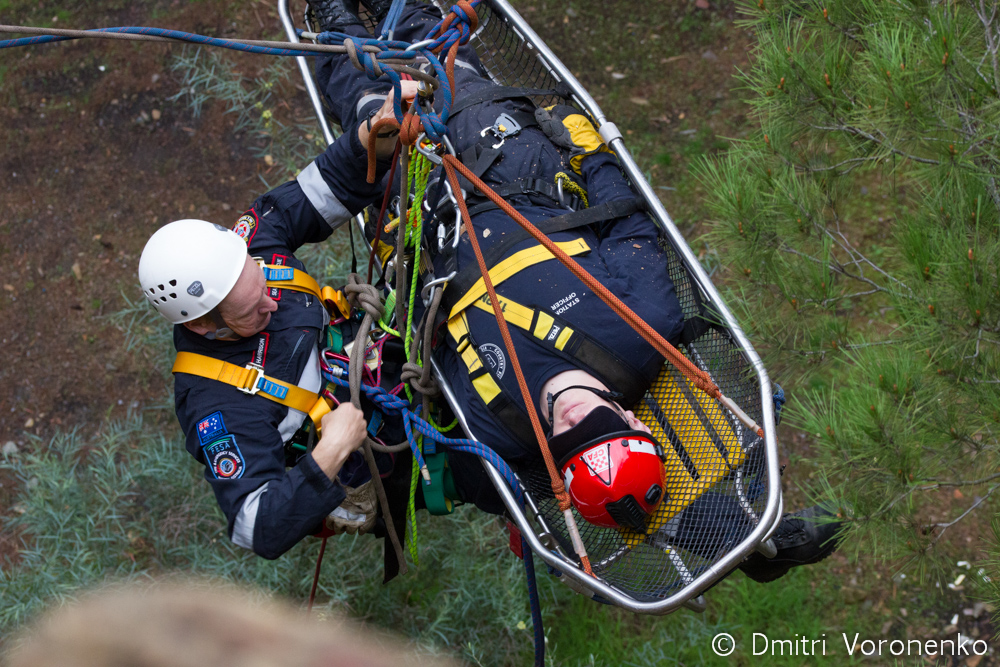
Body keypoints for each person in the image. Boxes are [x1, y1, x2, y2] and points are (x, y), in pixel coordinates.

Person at [138, 0, 840, 582]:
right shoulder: (218, 401)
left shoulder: (248, 249)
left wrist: (369, 142)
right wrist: (328, 455)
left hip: (427, 275)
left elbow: (319, 193)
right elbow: (256, 523)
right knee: (447, 82)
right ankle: (341, 20)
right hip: (409, 414)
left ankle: (364, 24)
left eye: (258, 274)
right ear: (203, 323)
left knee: (387, 98)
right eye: (249, 305)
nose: (264, 290)